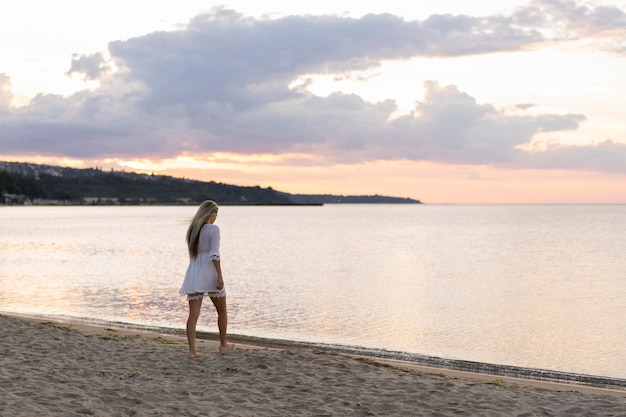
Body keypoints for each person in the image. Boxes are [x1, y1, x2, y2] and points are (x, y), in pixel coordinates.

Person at [180, 200, 234, 357]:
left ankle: (192, 351)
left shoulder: (193, 231)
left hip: (195, 271)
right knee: (222, 310)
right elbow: (214, 254)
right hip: (209, 271)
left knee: (193, 314)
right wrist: (220, 277)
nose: (217, 216)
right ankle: (223, 345)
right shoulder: (213, 229)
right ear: (212, 213)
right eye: (216, 213)